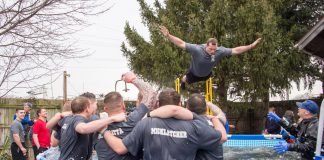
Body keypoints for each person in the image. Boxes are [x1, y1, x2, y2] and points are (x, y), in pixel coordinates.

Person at [102, 89, 226, 159]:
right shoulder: (195, 126)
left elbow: (120, 148)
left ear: (158, 104)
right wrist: (214, 119)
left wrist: (104, 132)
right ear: (180, 105)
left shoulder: (145, 123)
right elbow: (222, 137)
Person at [95, 72, 192, 160]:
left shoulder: (94, 126)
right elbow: (150, 93)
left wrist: (104, 130)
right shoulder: (133, 119)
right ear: (123, 105)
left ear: (105, 109)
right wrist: (133, 80)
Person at [159, 26, 262, 89]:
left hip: (207, 74)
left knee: (209, 75)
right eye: (210, 49)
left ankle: (204, 76)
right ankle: (182, 82)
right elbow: (181, 43)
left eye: (214, 49)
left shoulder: (220, 51)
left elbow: (235, 50)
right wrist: (168, 36)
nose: (213, 52)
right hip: (194, 73)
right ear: (206, 46)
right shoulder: (197, 49)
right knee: (185, 79)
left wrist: (251, 46)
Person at [58, 96, 126, 160]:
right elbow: (83, 128)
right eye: (91, 106)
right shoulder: (78, 119)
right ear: (87, 109)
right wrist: (112, 119)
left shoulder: (67, 119)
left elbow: (51, 125)